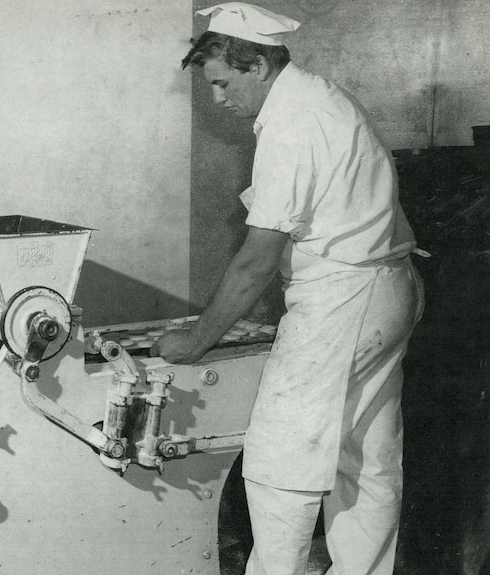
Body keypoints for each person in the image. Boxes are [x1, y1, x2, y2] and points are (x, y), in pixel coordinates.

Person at [152, 3, 425, 574]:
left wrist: (195, 342)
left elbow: (255, 261)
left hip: (341, 303)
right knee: (365, 463)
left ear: (259, 66)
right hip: (385, 288)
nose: (219, 99)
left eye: (224, 83)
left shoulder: (293, 121)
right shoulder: (322, 97)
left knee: (280, 466)